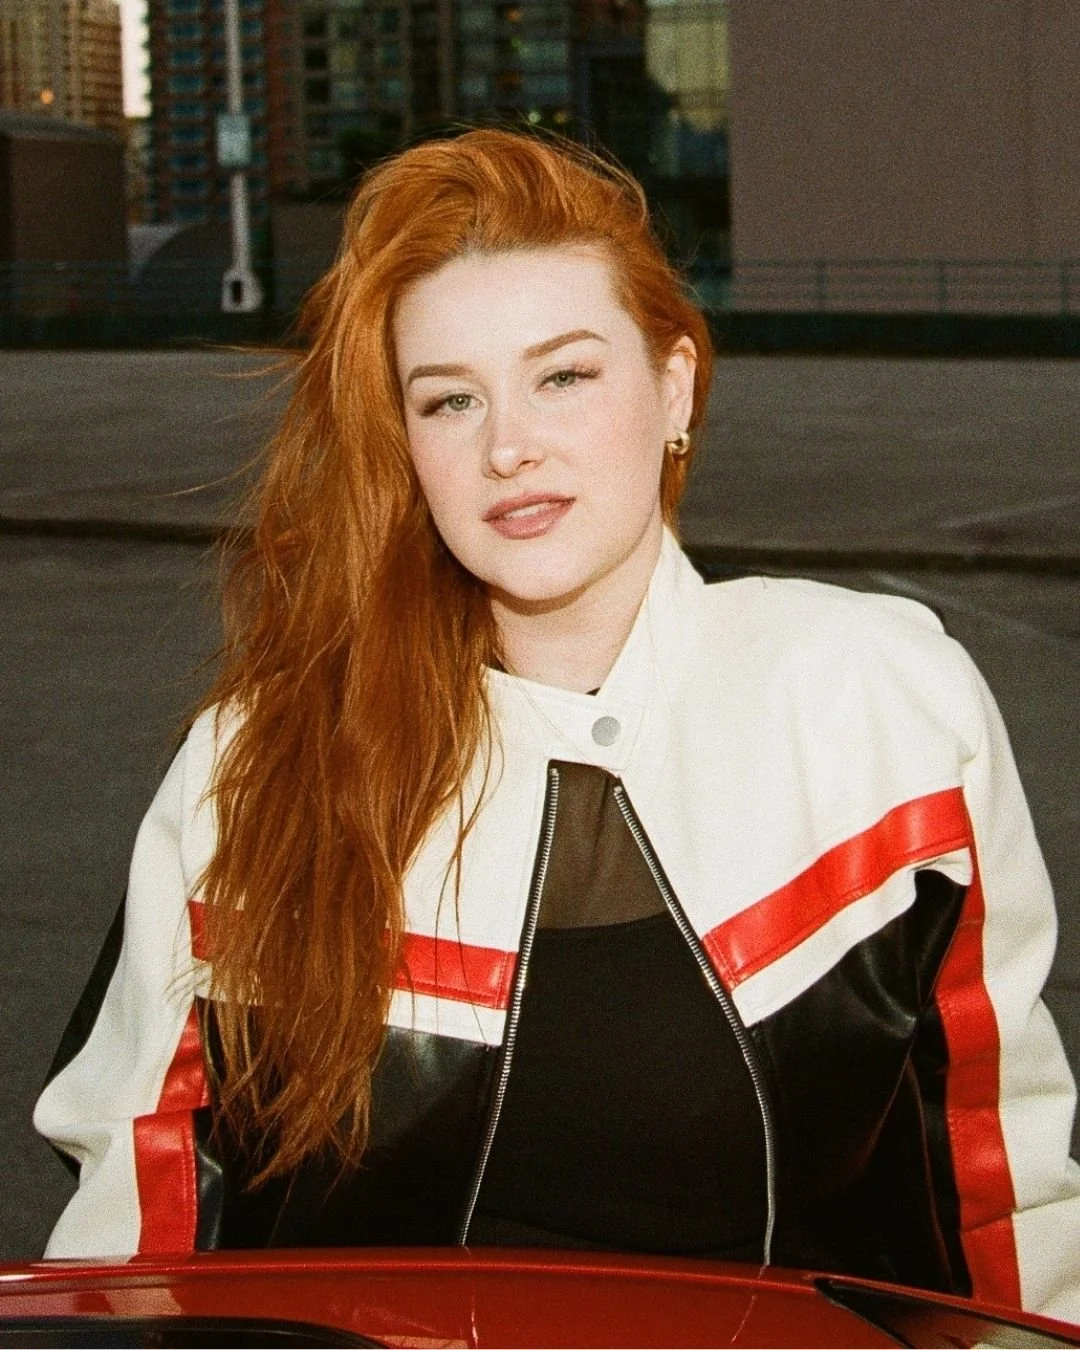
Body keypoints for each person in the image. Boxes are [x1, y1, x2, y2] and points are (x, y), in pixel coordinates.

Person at [34, 129, 1080, 1324]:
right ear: (406, 446)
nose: (508, 446)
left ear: (674, 386)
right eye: (450, 399)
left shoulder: (880, 700)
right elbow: (139, 1228)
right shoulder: (249, 762)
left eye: (565, 375)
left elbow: (1006, 1189)